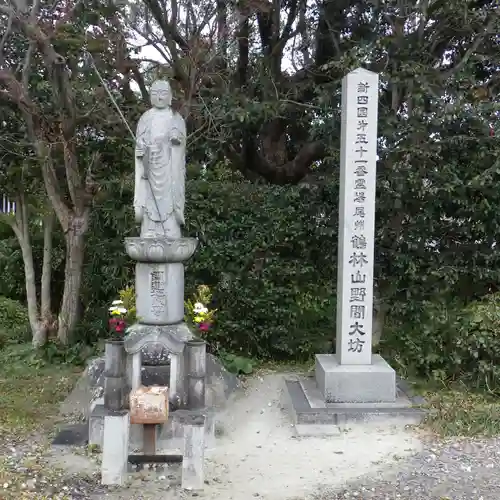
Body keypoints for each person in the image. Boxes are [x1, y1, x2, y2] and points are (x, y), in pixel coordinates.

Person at [134, 79, 186, 239]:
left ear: (170, 96)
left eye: (163, 93)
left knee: (169, 195)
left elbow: (181, 141)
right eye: (155, 93)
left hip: (169, 165)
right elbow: (140, 141)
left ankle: (169, 229)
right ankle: (150, 229)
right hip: (151, 163)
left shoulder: (176, 118)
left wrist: (176, 140)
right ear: (150, 97)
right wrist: (141, 147)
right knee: (148, 195)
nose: (160, 97)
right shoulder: (145, 118)